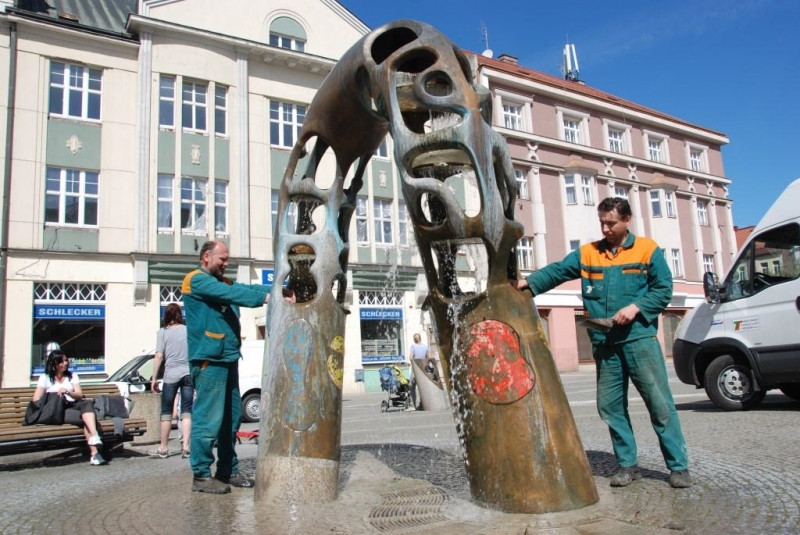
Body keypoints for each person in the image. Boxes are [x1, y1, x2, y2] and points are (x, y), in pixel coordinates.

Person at [511, 197, 691, 489]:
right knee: (610, 407)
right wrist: (529, 284)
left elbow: (663, 289)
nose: (606, 229)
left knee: (659, 404)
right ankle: (627, 465)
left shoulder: (648, 250)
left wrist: (637, 307)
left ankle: (678, 467)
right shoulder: (588, 253)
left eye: (611, 223)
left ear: (627, 220)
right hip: (605, 343)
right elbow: (558, 271)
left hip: (639, 340)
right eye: (602, 223)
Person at [182, 240, 292, 494]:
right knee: (208, 420)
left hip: (227, 357)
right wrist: (272, 298)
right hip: (209, 359)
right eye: (222, 258)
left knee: (231, 420)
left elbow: (244, 288)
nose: (226, 263)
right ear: (206, 256)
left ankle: (227, 470)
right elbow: (234, 295)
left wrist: (282, 290)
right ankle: (201, 475)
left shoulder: (221, 281)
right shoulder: (196, 280)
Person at [33, 350, 107, 465]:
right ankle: (95, 453)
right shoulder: (45, 377)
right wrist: (54, 395)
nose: (65, 363)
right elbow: (36, 399)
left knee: (87, 403)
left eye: (66, 360)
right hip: (58, 410)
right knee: (87, 420)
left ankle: (94, 437)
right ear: (54, 363)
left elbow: (79, 395)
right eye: (62, 361)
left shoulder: (72, 376)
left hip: (73, 405)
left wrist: (68, 392)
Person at [148, 303, 193, 459]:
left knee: (166, 412)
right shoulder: (187, 330)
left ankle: (163, 448)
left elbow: (159, 355)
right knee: (186, 411)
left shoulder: (162, 332)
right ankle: (186, 447)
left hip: (171, 375)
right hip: (188, 373)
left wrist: (154, 378)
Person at [407, 333, 429, 409]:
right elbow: (428, 358)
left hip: (415, 369)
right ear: (420, 338)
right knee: (422, 387)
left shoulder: (413, 346)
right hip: (423, 369)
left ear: (414, 339)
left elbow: (410, 358)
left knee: (412, 386)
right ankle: (422, 404)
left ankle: (413, 404)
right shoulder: (425, 347)